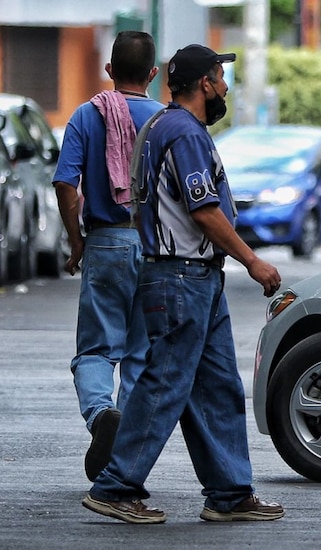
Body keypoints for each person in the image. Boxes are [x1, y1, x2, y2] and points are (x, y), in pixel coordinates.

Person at [81, 44, 284, 524]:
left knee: (218, 388)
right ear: (204, 84)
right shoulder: (184, 133)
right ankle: (115, 487)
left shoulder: (161, 126)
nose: (225, 87)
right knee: (164, 384)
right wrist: (253, 261)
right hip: (181, 278)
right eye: (220, 77)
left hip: (193, 278)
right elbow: (204, 210)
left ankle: (230, 493)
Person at [53, 30, 164, 482]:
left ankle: (102, 416)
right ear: (153, 74)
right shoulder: (166, 121)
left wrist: (75, 240)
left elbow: (65, 183)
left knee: (97, 350)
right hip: (156, 248)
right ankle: (125, 457)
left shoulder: (86, 115)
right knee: (141, 355)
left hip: (105, 243)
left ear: (110, 70)